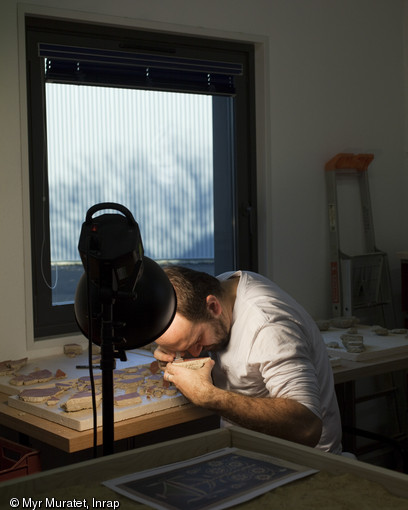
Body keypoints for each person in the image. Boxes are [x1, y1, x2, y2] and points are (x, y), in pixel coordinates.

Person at [154, 266, 342, 454]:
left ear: (213, 307)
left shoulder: (268, 328)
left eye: (197, 341)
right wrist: (177, 348)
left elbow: (307, 426)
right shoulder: (223, 288)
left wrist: (209, 396)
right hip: (247, 451)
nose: (194, 353)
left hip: (304, 461)